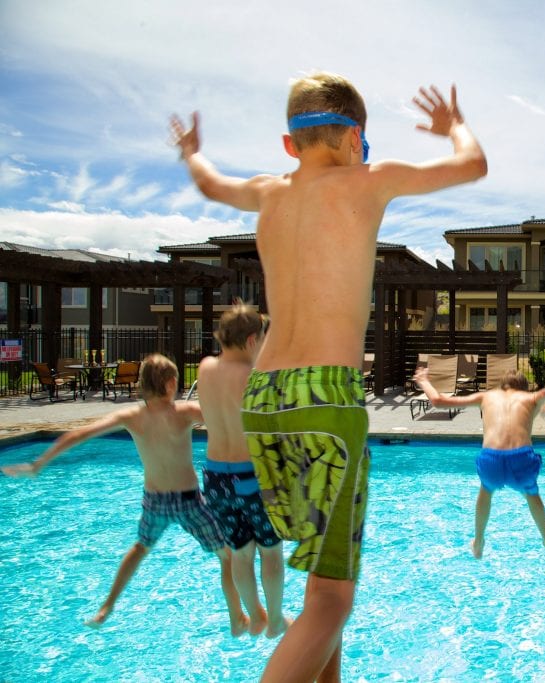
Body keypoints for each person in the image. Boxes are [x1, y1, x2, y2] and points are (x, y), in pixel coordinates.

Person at [171, 73, 486, 682]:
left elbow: (209, 182)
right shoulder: (368, 180)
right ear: (354, 139)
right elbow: (472, 164)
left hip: (263, 401)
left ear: (290, 145)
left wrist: (190, 151)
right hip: (325, 400)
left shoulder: (268, 191)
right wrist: (453, 126)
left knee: (320, 581)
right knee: (331, 602)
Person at [2, 354, 246, 633]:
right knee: (227, 555)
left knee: (140, 548)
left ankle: (107, 606)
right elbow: (231, 420)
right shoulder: (185, 412)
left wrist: (38, 465)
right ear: (169, 384)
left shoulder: (131, 416)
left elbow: (78, 435)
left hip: (155, 501)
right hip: (189, 500)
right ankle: (236, 616)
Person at [414, 366, 545, 559]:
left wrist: (423, 380)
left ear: (502, 386)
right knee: (532, 494)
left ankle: (478, 543)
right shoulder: (530, 398)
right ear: (523, 388)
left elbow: (438, 401)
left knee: (485, 492)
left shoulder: (487, 396)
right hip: (521, 459)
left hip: (491, 459)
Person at [198, 303, 289, 638]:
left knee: (240, 552)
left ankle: (255, 616)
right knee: (271, 552)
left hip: (214, 478)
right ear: (252, 340)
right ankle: (276, 619)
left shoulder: (205, 367)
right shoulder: (256, 378)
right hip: (250, 477)